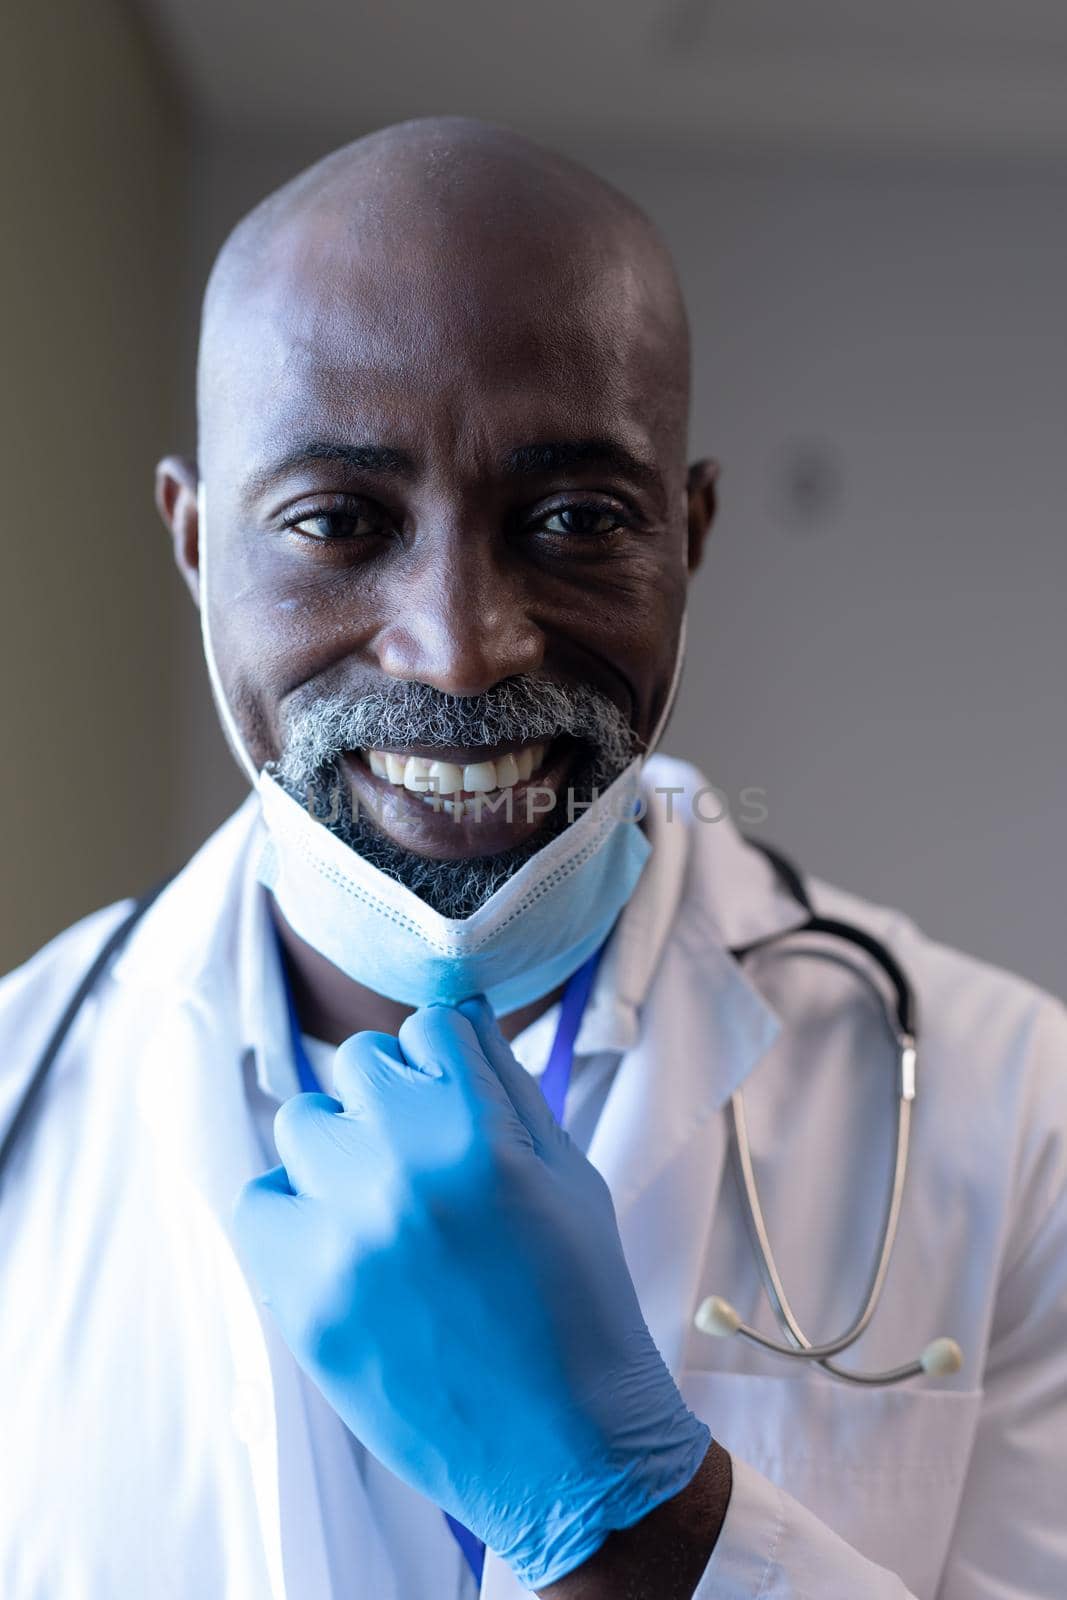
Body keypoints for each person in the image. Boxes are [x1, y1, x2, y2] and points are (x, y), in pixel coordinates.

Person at [1, 116, 1065, 1600]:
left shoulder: (1016, 1120)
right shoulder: (19, 1088)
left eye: (572, 519)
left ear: (686, 535)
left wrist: (632, 1518)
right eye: (337, 522)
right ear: (194, 543)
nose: (458, 648)